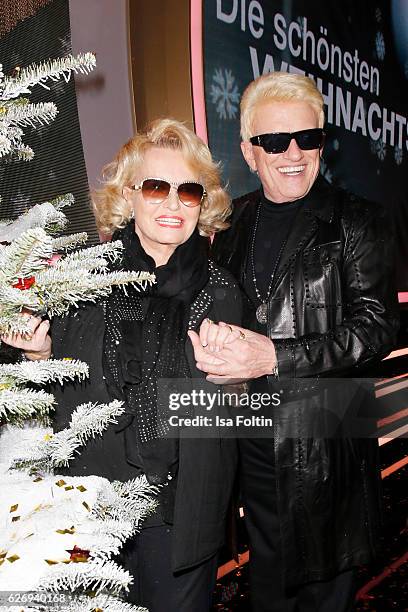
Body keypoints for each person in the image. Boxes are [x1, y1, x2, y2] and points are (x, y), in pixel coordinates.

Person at [4, 119, 241, 612]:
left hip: (181, 514)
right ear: (128, 194)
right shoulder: (79, 278)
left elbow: (241, 412)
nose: (173, 204)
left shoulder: (224, 293)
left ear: (204, 202)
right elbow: (28, 381)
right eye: (156, 187)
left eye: (188, 191)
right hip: (86, 508)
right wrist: (36, 354)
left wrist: (236, 376)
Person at [188, 73, 399, 611]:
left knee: (325, 590)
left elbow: (375, 329)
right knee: (268, 588)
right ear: (249, 151)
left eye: (308, 138)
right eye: (275, 141)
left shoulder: (358, 220)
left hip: (328, 439)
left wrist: (273, 355)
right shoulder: (229, 225)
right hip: (254, 437)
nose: (294, 154)